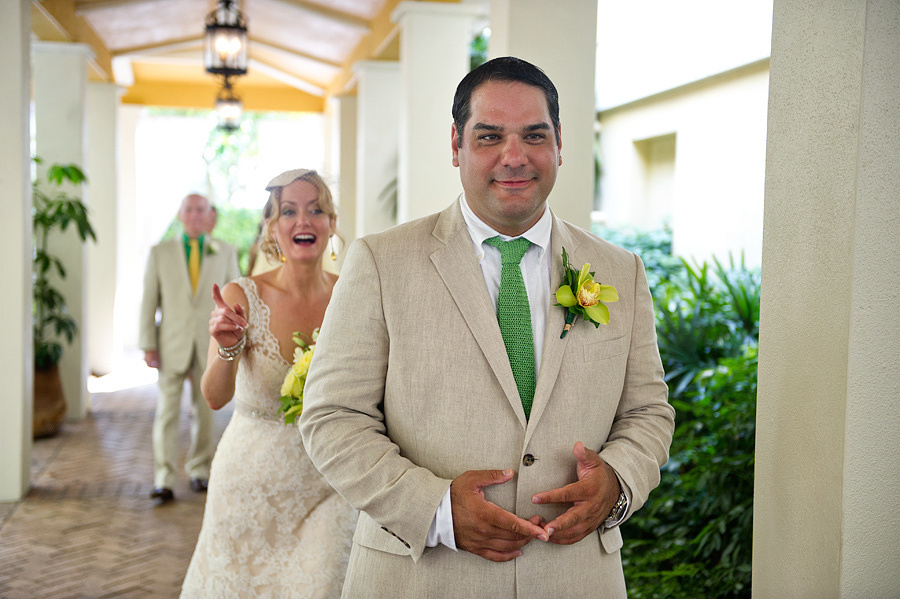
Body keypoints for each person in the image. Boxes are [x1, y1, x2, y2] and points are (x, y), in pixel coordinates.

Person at [299, 57, 675, 598]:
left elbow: (648, 411)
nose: (514, 157)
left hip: (574, 579)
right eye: (490, 136)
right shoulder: (381, 262)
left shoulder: (620, 271)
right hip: (421, 579)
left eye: (534, 135)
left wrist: (617, 482)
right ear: (456, 144)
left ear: (560, 144)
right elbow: (333, 417)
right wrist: (434, 509)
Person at [180, 169, 356, 598]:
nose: (304, 221)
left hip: (329, 485)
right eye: (289, 212)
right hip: (250, 486)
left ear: (332, 223)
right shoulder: (242, 296)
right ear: (272, 229)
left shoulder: (352, 294)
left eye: (317, 210)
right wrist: (228, 346)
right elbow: (214, 397)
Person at [140, 193, 240, 504]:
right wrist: (148, 343)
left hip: (209, 343)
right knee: (167, 412)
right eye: (189, 210)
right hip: (171, 343)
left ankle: (199, 470)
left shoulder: (225, 251)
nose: (195, 215)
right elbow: (149, 301)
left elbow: (236, 296)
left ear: (209, 216)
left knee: (206, 412)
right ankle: (163, 478)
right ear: (181, 215)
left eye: (201, 210)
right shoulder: (160, 252)